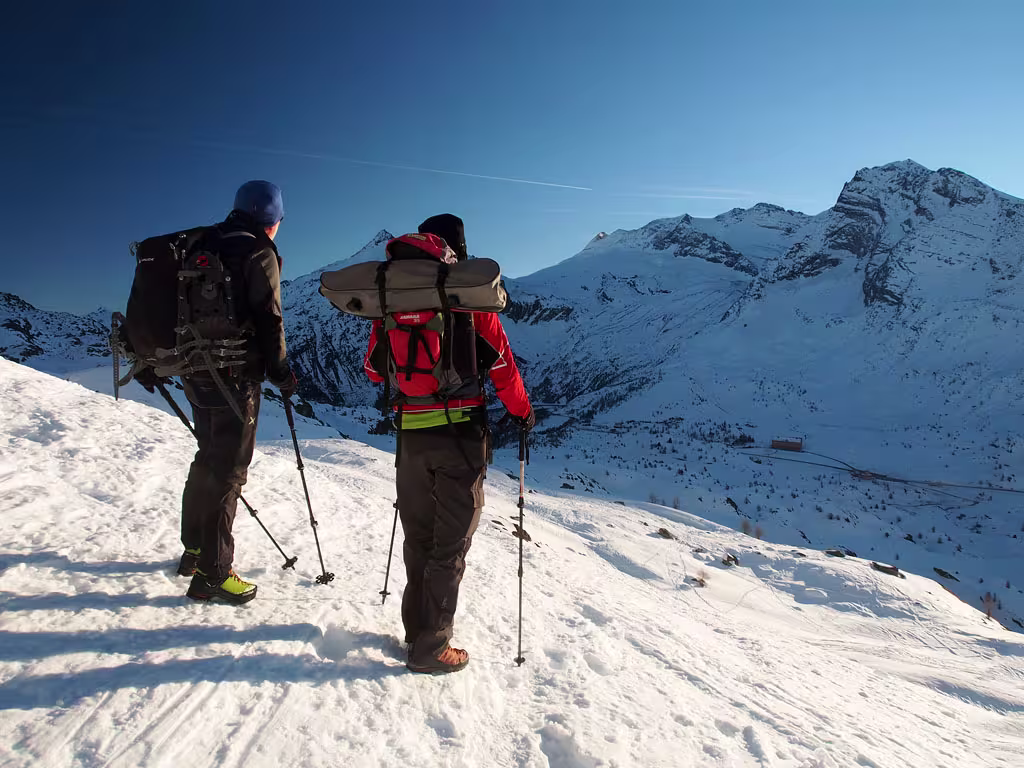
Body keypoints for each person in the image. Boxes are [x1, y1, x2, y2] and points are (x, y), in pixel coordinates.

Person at [363, 213, 535, 673]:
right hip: (460, 437)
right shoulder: (468, 296)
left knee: (418, 537)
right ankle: (432, 647)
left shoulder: (393, 299)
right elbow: (502, 366)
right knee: (451, 543)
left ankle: (415, 631)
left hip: (410, 439)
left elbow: (374, 370)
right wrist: (522, 412)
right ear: (457, 250)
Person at [138, 180, 297, 605]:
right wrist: (281, 371)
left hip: (194, 370)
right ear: (272, 220)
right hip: (235, 375)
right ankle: (214, 573)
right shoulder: (258, 251)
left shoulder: (197, 242)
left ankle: (193, 551)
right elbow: (270, 318)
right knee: (229, 470)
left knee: (207, 456)